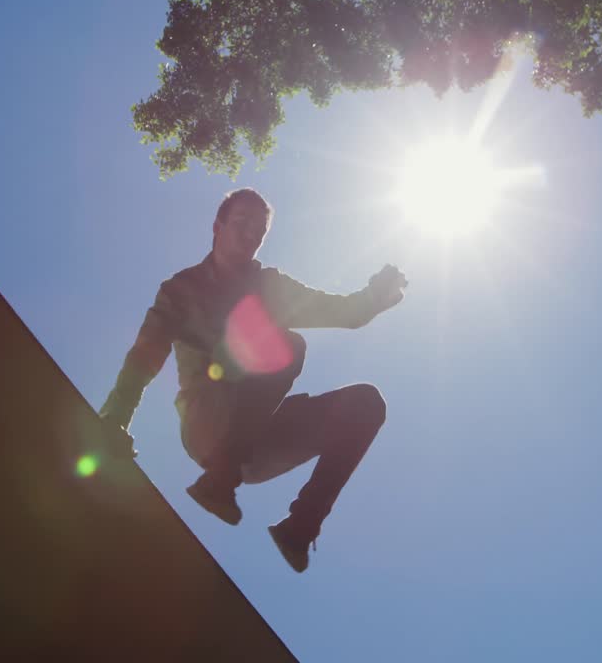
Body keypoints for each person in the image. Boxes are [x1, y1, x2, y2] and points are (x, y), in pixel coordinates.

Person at [99, 188, 407, 572]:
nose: (249, 235)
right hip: (208, 425)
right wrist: (115, 418)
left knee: (366, 404)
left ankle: (299, 529)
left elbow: (343, 312)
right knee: (284, 342)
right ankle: (220, 473)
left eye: (258, 230)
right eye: (241, 223)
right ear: (217, 227)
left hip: (256, 446)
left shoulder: (270, 285)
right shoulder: (181, 290)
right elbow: (142, 360)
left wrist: (374, 297)